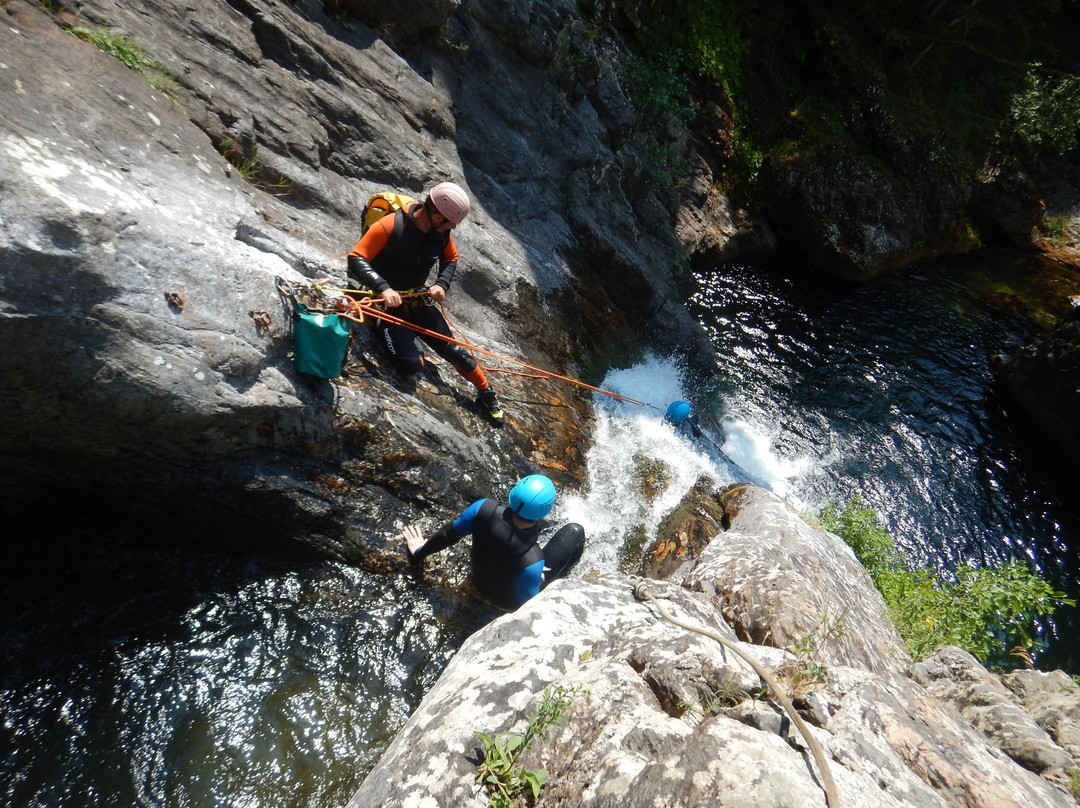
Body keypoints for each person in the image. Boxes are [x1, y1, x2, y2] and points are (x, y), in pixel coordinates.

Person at [347, 181, 503, 419]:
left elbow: (451, 259)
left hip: (415, 299)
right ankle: (397, 335)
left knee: (454, 350)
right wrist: (384, 288)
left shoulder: (440, 234)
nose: (453, 228)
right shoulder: (391, 226)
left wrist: (441, 285)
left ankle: (486, 393)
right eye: (451, 223)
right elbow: (356, 258)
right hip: (384, 305)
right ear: (438, 217)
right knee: (411, 365)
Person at [403, 474, 586, 610]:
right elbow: (529, 605)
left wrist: (419, 551)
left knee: (545, 527)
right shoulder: (533, 559)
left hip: (477, 580)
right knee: (575, 531)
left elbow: (447, 534)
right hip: (507, 602)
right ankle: (565, 577)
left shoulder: (483, 508)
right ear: (544, 510)